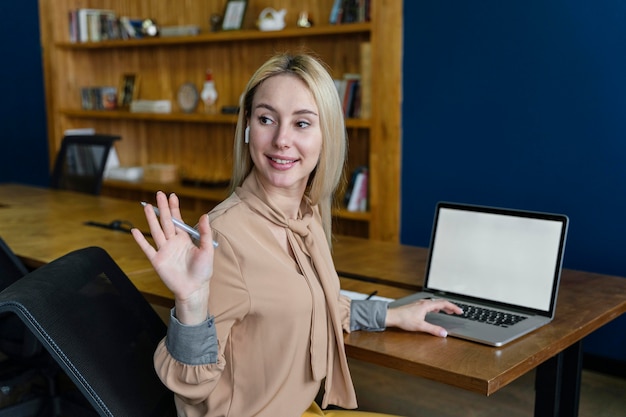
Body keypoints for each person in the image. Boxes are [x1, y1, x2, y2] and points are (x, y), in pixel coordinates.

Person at [132, 53, 462, 417]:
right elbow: (190, 386)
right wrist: (191, 302)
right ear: (247, 128)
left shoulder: (305, 216)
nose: (281, 139)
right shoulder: (223, 239)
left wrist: (392, 315)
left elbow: (315, 303)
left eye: (302, 123)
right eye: (266, 119)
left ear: (326, 136)